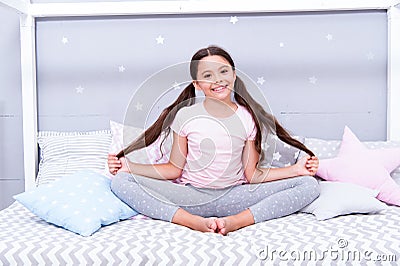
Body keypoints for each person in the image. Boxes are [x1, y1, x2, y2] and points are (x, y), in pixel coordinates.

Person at [109, 45, 320, 235]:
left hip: (235, 197)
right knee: (121, 182)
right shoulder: (185, 116)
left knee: (308, 185)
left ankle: (236, 222)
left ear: (234, 75)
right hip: (189, 197)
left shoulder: (247, 118)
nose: (217, 79)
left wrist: (296, 170)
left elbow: (253, 175)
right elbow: (174, 169)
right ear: (197, 84)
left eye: (223, 71)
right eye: (207, 75)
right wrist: (129, 167)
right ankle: (191, 222)